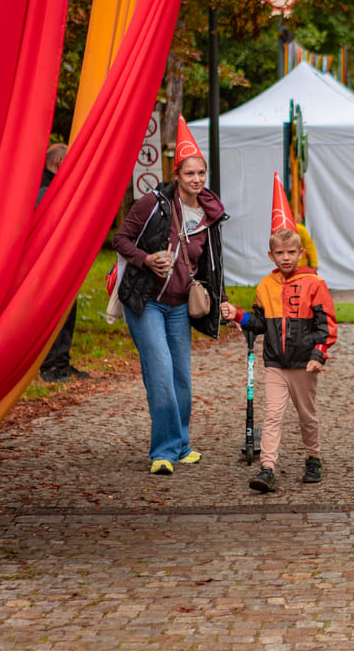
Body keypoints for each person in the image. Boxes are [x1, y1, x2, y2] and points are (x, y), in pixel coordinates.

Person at [112, 121, 227, 476]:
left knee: (181, 380)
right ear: (176, 175)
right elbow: (120, 239)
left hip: (179, 306)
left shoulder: (210, 213)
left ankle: (181, 444)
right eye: (189, 173)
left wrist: (221, 298)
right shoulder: (153, 203)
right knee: (160, 373)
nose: (196, 179)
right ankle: (163, 451)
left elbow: (213, 262)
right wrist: (146, 259)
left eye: (201, 173)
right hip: (145, 301)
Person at [220, 226, 337, 492]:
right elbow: (259, 323)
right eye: (280, 253)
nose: (286, 257)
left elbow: (326, 325)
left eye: (291, 252)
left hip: (304, 365)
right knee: (272, 415)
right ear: (270, 255)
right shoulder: (265, 286)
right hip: (275, 364)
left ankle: (313, 458)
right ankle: (267, 468)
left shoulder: (315, 284)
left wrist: (318, 355)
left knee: (307, 415)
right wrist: (237, 315)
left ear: (301, 253)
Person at [38, 144, 90, 382]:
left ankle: (61, 363)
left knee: (68, 311)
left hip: (62, 260)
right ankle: (49, 366)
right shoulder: (44, 189)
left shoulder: (55, 186)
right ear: (60, 163)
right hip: (49, 263)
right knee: (53, 313)